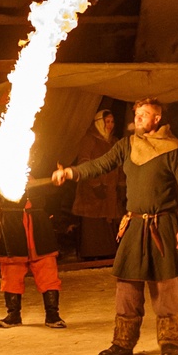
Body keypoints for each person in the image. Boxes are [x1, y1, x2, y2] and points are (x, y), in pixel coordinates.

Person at [53, 97, 178, 355]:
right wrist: (71, 173)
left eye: (145, 114)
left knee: (164, 286)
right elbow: (100, 164)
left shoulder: (175, 149)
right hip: (134, 224)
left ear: (157, 119)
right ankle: (123, 342)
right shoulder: (127, 145)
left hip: (162, 224)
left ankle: (170, 342)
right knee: (127, 286)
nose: (139, 117)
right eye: (137, 113)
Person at [0, 129, 67, 330]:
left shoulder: (42, 157)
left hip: (37, 220)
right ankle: (13, 315)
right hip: (10, 220)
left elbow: (53, 187)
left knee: (47, 267)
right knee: (11, 269)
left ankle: (52, 315)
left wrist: (52, 187)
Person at [70, 107, 125, 259]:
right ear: (99, 123)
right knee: (94, 226)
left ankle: (108, 254)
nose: (110, 125)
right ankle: (92, 254)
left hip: (110, 193)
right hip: (92, 193)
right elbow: (84, 163)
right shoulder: (90, 140)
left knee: (108, 225)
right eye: (107, 121)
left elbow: (120, 164)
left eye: (112, 121)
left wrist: (121, 184)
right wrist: (95, 184)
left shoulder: (114, 142)